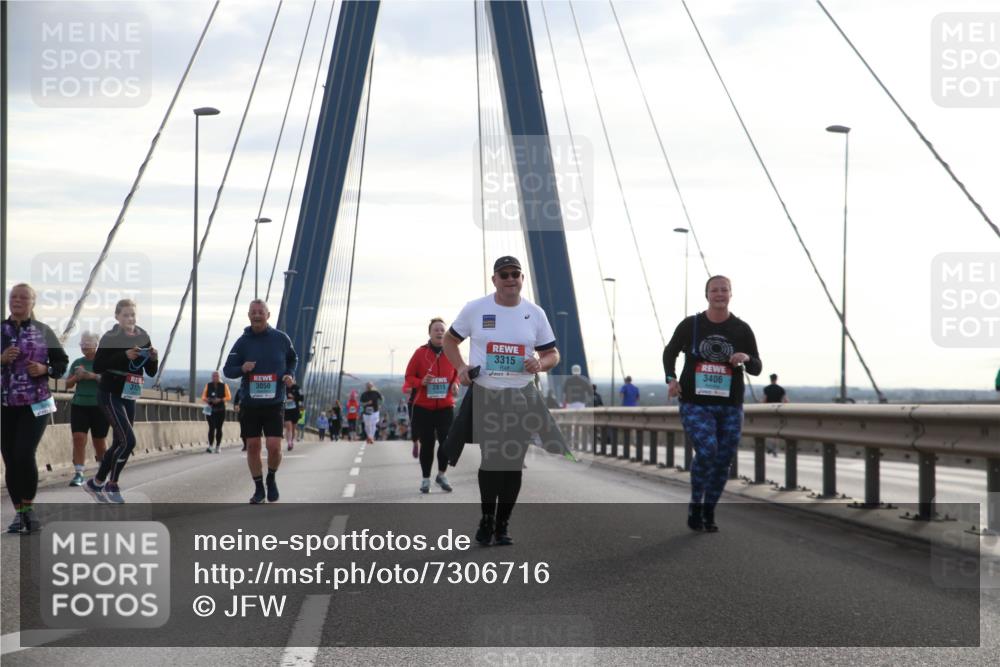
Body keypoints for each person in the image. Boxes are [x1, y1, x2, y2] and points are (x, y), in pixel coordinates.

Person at [442, 256, 567, 546]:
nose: (511, 279)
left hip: (521, 396)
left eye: (516, 274)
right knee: (491, 460)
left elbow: (553, 353)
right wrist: (461, 368)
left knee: (513, 462)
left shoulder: (535, 313)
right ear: (494, 279)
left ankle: (503, 523)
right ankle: (487, 519)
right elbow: (450, 340)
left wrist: (541, 363)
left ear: (522, 278)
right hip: (487, 394)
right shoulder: (475, 308)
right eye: (504, 274)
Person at [663, 275, 761, 533]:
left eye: (724, 290)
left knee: (723, 459)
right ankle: (696, 504)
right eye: (714, 290)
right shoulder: (692, 325)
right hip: (695, 402)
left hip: (730, 404)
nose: (719, 294)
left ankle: (709, 510)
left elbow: (758, 367)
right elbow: (670, 351)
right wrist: (671, 379)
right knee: (708, 450)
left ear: (731, 294)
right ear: (706, 295)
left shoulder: (741, 329)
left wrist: (746, 357)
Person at [2, 283, 68, 533]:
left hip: (35, 403)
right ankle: (20, 514)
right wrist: (2, 359)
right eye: (13, 297)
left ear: (32, 302)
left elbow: (61, 363)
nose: (17, 301)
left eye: (23, 297)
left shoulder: (43, 331)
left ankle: (28, 510)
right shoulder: (1, 330)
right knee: (10, 459)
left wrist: (45, 370)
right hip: (5, 404)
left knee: (23, 452)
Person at [84, 298, 158, 505]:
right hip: (109, 392)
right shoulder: (110, 337)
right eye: (125, 315)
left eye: (132, 314)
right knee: (129, 441)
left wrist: (154, 357)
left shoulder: (143, 336)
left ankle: (96, 482)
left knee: (119, 442)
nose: (129, 318)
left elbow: (151, 371)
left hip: (129, 394)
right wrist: (124, 355)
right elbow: (98, 366)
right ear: (117, 317)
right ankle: (112, 484)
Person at [223, 299, 297, 504]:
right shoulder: (242, 342)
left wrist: (290, 374)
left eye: (260, 312)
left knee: (274, 446)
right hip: (250, 404)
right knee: (253, 446)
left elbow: (293, 359)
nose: (257, 315)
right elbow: (228, 370)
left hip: (274, 403)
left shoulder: (281, 339)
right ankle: (258, 488)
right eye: (253, 312)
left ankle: (271, 478)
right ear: (248, 315)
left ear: (268, 315)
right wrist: (242, 368)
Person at [405, 317, 459, 494]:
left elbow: (458, 373)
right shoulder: (420, 353)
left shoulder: (453, 353)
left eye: (443, 330)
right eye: (436, 329)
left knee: (446, 443)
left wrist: (456, 383)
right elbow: (409, 378)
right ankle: (425, 479)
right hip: (423, 408)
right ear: (429, 333)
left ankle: (442, 475)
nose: (440, 332)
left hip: (445, 407)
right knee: (427, 444)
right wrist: (421, 382)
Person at [66, 331, 108, 486]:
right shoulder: (77, 362)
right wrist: (77, 377)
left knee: (99, 443)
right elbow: (67, 384)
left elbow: (108, 381)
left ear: (96, 345)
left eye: (88, 344)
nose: (84, 347)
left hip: (99, 406)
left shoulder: (102, 362)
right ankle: (79, 473)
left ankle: (102, 472)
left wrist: (90, 375)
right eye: (82, 344)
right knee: (78, 438)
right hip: (79, 405)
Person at [202, 370, 231, 454]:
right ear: (212, 377)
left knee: (219, 428)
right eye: (214, 376)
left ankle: (218, 446)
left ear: (220, 377)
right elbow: (203, 396)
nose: (215, 377)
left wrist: (221, 399)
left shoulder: (224, 385)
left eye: (217, 376)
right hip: (210, 409)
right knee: (211, 428)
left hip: (221, 410)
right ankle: (210, 446)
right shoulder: (208, 385)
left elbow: (229, 397)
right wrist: (207, 399)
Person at [283, 381, 304, 451]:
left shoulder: (297, 388)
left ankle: (291, 441)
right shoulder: (283, 387)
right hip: (287, 410)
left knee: (293, 428)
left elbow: (302, 398)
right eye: (286, 380)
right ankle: (289, 443)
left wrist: (294, 397)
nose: (287, 382)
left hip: (295, 411)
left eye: (289, 380)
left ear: (292, 380)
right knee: (288, 427)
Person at [233, 384, 247, 451]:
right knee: (243, 429)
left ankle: (252, 445)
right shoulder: (240, 391)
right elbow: (236, 401)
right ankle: (245, 445)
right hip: (242, 412)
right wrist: (236, 406)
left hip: (253, 411)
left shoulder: (254, 388)